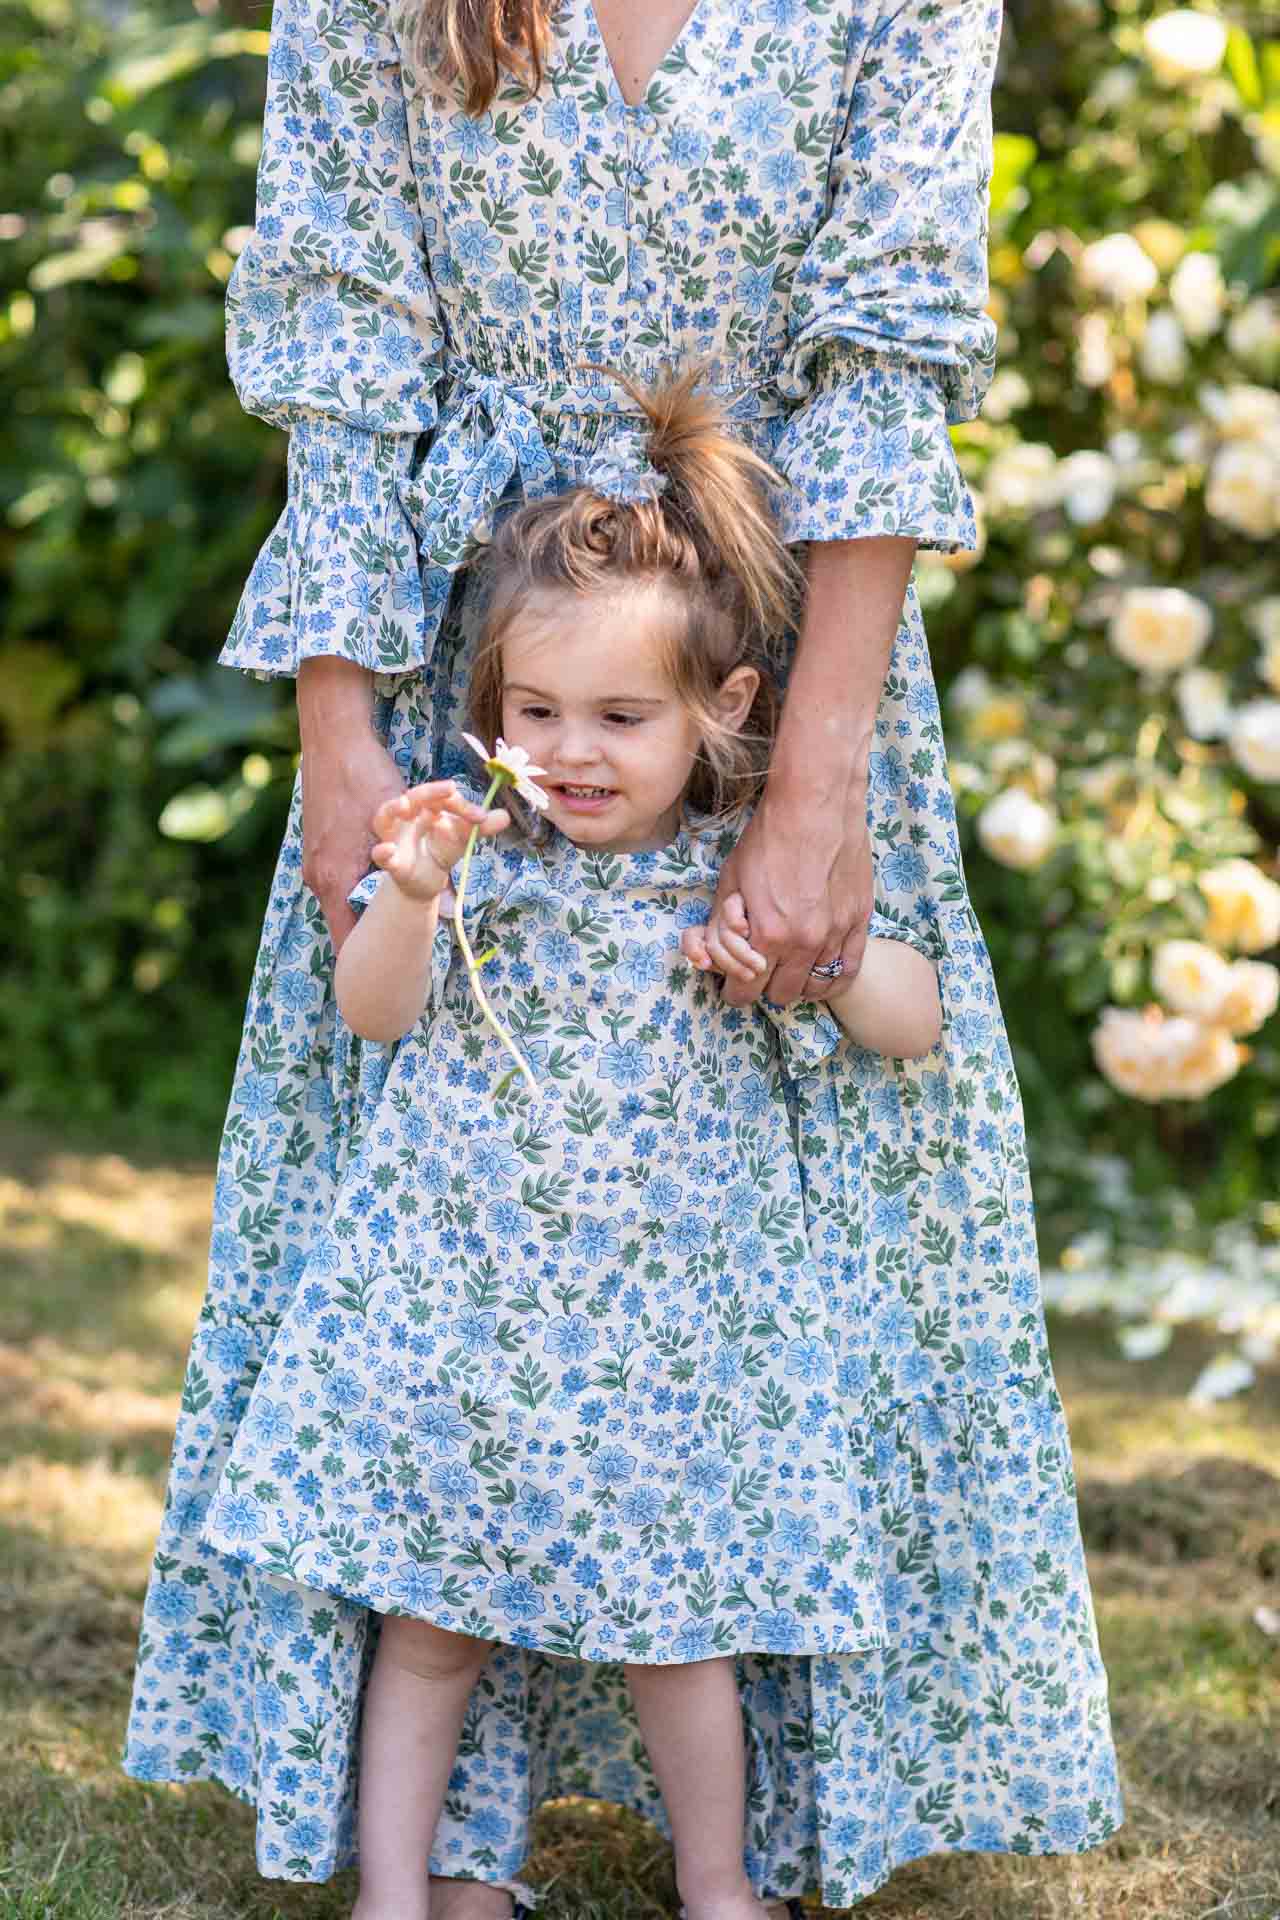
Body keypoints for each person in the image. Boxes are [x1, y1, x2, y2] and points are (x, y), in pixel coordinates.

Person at [124, 0, 1125, 1909]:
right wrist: (345, 731)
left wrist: (809, 783)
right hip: (474, 656)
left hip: (761, 649)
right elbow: (340, 343)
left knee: (805, 1228)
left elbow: (884, 362)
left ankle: (774, 1823)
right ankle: (442, 1842)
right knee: (446, 1271)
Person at [205, 371, 941, 1920]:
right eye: (535, 715)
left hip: (668, 1343)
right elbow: (375, 1012)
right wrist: (405, 895)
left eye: (620, 717)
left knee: (682, 1626)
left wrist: (813, 960)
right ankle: (396, 1889)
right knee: (430, 1621)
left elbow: (910, 1020)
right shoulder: (482, 864)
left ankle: (718, 1886)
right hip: (468, 1318)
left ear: (721, 711)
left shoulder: (736, 886)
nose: (575, 754)